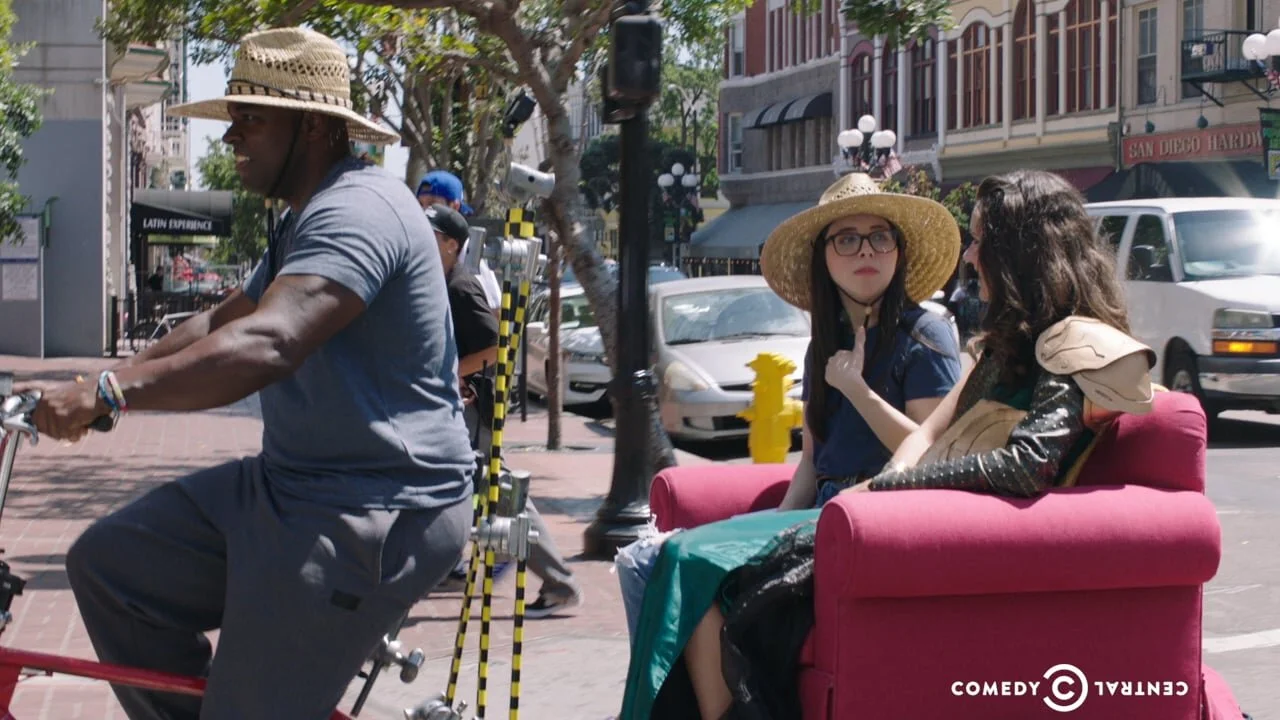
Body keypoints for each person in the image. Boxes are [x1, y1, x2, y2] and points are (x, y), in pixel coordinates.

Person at [19, 27, 474, 720]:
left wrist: (111, 394)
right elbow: (219, 322)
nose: (232, 135)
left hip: (378, 506)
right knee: (111, 568)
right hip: (290, 484)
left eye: (250, 118)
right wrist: (97, 387)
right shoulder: (305, 220)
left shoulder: (359, 211)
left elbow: (269, 342)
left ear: (313, 127)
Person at [623, 169, 1157, 720]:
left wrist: (882, 483)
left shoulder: (1070, 344)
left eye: (981, 241)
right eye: (846, 240)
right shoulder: (1002, 346)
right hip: (873, 511)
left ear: (1021, 253)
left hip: (911, 528)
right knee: (664, 558)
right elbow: (926, 437)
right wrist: (866, 491)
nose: (970, 256)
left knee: (692, 563)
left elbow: (1027, 465)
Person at [615, 171, 965, 701]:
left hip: (872, 517)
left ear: (899, 251)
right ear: (823, 257)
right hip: (818, 513)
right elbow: (810, 465)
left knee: (691, 562)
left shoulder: (925, 334)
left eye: (880, 237)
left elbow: (934, 454)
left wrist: (858, 391)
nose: (865, 250)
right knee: (652, 561)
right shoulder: (824, 343)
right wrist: (767, 529)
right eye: (847, 239)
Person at [428, 203, 585, 618]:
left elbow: (495, 346)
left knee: (501, 493)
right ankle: (472, 562)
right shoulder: (441, 282)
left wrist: (451, 374)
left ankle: (559, 583)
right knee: (488, 492)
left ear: (451, 244)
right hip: (463, 407)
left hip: (474, 411)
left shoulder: (460, 287)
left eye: (432, 235)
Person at [418, 169, 502, 311]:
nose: (425, 211)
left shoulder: (471, 252)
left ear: (455, 206)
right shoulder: (424, 246)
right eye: (421, 204)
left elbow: (494, 310)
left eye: (432, 203)